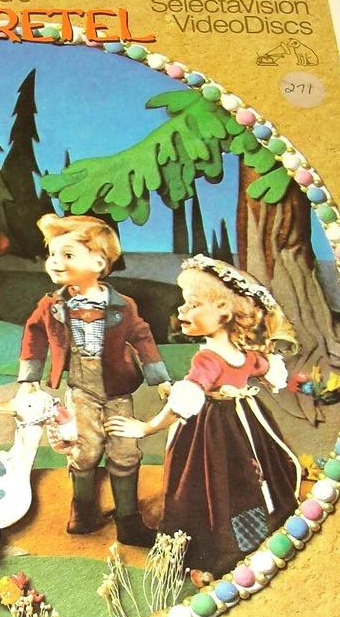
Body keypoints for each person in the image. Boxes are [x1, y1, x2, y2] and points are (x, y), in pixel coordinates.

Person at [105, 255, 303, 585]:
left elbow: (186, 401)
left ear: (224, 312)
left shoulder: (208, 359)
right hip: (245, 422)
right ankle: (254, 534)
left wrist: (147, 427)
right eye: (185, 302)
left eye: (193, 304)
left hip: (211, 430)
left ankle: (214, 553)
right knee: (245, 481)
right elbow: (268, 373)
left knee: (207, 485)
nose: (182, 310)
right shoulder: (247, 355)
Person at [17, 214, 170, 545]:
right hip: (81, 391)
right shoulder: (52, 305)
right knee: (85, 450)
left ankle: (128, 521)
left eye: (67, 254)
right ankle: (83, 512)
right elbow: (34, 334)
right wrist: (29, 378)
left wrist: (159, 378)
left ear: (99, 263)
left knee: (125, 451)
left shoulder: (123, 305)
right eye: (52, 254)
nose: (55, 261)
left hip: (117, 391)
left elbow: (142, 337)